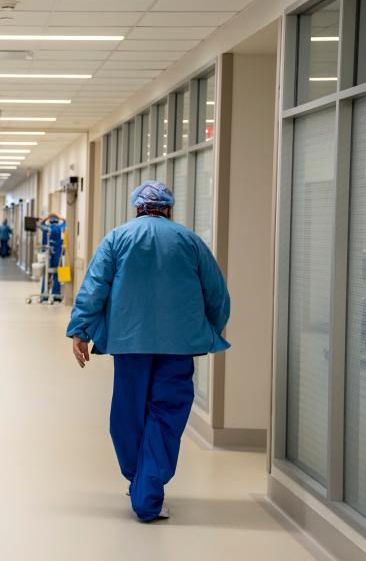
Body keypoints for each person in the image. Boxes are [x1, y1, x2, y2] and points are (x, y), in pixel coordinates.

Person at [66, 181, 230, 523]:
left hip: (130, 343)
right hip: (178, 346)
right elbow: (216, 294)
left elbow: (95, 287)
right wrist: (206, 329)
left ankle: (139, 481)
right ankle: (147, 488)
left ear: (137, 207)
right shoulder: (189, 241)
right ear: (168, 208)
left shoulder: (117, 238)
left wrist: (80, 329)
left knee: (127, 413)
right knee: (166, 415)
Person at [39, 213, 66, 301]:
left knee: (46, 274)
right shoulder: (60, 228)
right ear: (57, 222)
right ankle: (56, 295)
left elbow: (40, 224)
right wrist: (58, 216)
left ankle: (44, 295)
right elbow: (67, 221)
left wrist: (47, 216)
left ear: (50, 221)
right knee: (57, 274)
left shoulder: (46, 228)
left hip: (48, 254)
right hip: (58, 254)